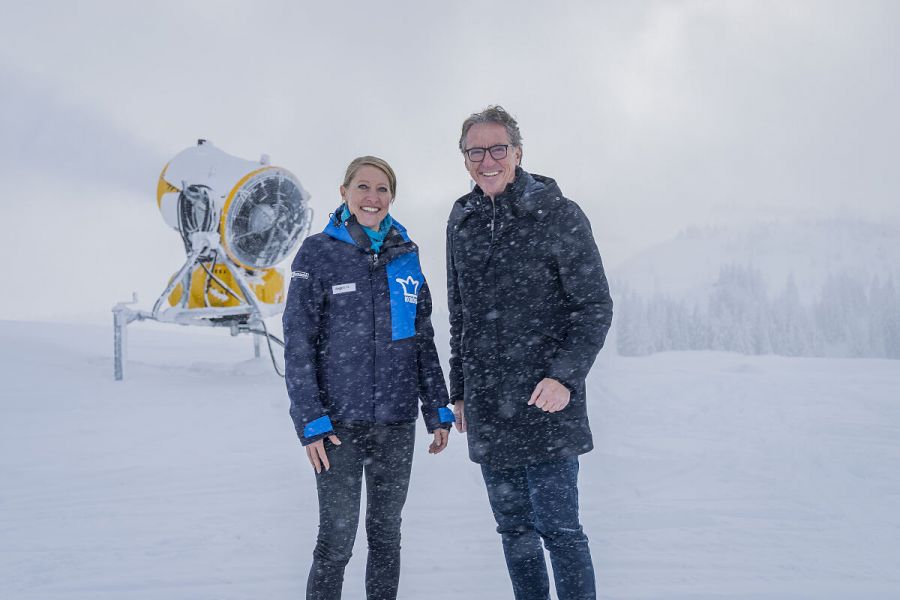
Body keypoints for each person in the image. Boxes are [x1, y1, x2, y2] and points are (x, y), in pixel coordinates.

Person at [446, 106, 613, 600]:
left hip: (546, 404)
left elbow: (593, 306)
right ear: (464, 158)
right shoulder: (462, 219)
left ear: (518, 153)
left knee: (559, 530)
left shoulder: (559, 214)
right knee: (514, 532)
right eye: (476, 151)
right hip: (489, 404)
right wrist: (460, 391)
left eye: (498, 149)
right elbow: (461, 315)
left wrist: (564, 377)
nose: (487, 160)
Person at [284, 155, 454, 600]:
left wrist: (437, 409)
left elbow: (421, 338)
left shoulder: (405, 255)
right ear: (344, 192)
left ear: (391, 197)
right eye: (363, 187)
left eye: (382, 189)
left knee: (386, 537)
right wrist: (311, 420)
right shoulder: (319, 252)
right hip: (337, 426)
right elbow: (298, 341)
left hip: (395, 423)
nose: (372, 197)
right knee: (335, 544)